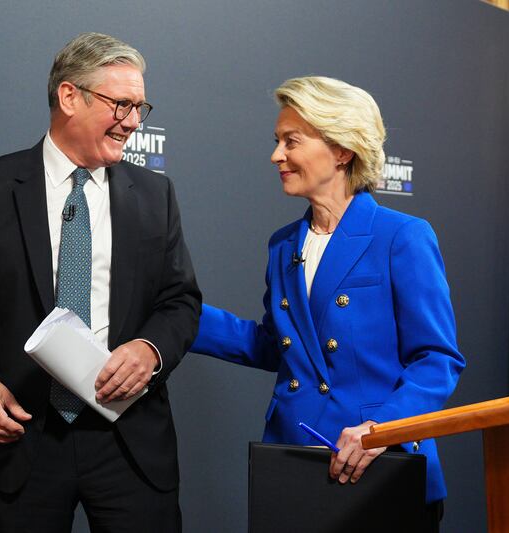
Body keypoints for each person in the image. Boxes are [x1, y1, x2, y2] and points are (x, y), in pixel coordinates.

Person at [0, 33, 200, 533]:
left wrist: (151, 349)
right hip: (22, 440)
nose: (134, 121)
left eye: (140, 107)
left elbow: (180, 301)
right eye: (122, 105)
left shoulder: (156, 195)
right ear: (70, 97)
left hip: (130, 444)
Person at [191, 76, 464, 528]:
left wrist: (383, 430)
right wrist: (181, 317)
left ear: (341, 150)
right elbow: (278, 345)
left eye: (291, 141)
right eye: (277, 141)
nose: (276, 156)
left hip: (379, 466)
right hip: (294, 464)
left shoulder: (402, 236)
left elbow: (437, 359)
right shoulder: (283, 245)